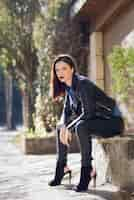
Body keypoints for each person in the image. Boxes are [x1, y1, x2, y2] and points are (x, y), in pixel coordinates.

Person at [48, 54, 124, 192]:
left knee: (81, 126)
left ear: (72, 69)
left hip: (112, 121)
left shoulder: (82, 84)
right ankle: (62, 168)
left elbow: (88, 113)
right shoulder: (68, 86)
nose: (60, 73)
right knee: (61, 127)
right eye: (57, 70)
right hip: (97, 120)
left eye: (64, 69)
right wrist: (64, 126)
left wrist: (69, 128)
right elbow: (66, 110)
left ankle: (86, 171)